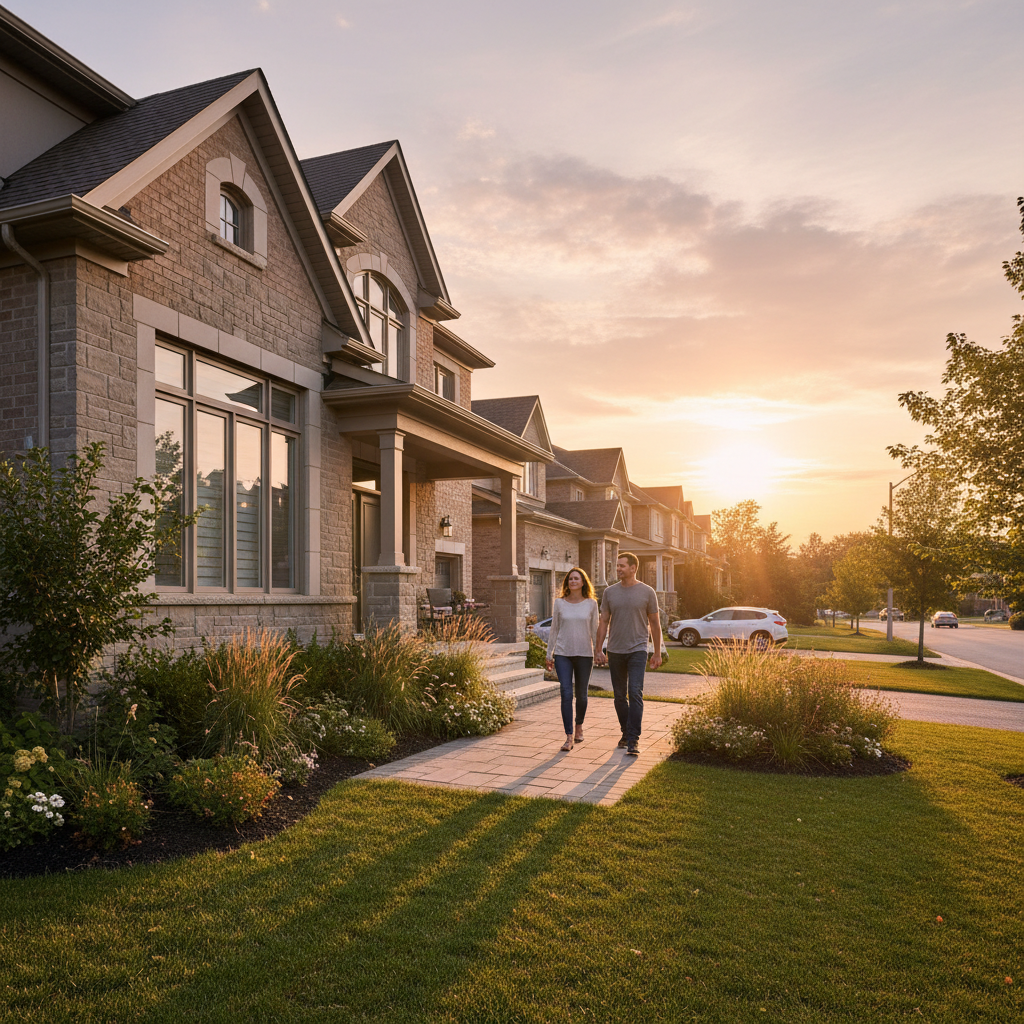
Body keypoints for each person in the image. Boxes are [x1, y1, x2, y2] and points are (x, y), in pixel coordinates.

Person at [595, 552, 662, 755]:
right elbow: (604, 621)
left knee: (634, 692)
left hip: (638, 649)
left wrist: (657, 652)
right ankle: (626, 732)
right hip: (615, 650)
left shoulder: (647, 592)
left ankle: (633, 739)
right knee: (618, 696)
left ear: (633, 568)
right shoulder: (609, 593)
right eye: (617, 566)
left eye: (622, 566)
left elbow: (655, 623)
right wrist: (599, 649)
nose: (619, 569)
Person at [545, 567, 600, 752]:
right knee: (566, 693)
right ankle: (569, 736)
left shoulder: (591, 604)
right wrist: (549, 653)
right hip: (563, 654)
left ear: (583, 582)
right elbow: (554, 629)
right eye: (570, 579)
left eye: (576, 579)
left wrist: (599, 650)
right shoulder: (559, 603)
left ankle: (579, 726)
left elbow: (595, 629)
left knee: (582, 695)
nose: (573, 581)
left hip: (585, 654)